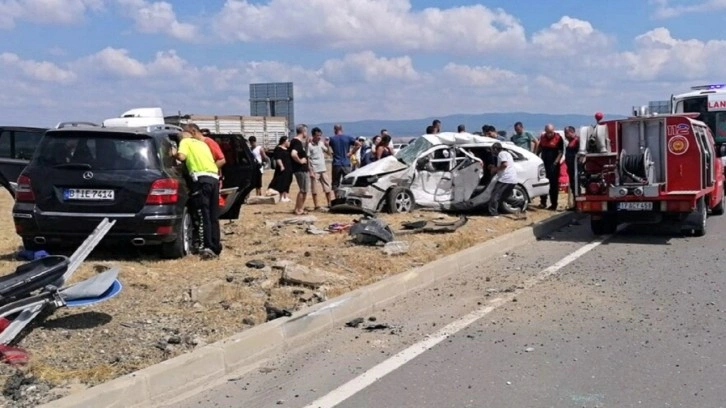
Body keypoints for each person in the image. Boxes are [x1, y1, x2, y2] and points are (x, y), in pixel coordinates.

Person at [174, 131, 222, 259]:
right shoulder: (202, 144)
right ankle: (215, 246)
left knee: (203, 215)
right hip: (213, 179)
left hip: (201, 180)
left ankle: (206, 247)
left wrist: (174, 153)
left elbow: (182, 157)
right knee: (213, 215)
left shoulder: (185, 142)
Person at [536, 124, 565, 210]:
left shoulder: (558, 138)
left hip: (553, 165)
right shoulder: (543, 137)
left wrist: (555, 163)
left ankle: (554, 204)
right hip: (544, 164)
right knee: (543, 182)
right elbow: (540, 148)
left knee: (553, 185)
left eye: (551, 132)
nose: (549, 134)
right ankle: (543, 202)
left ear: (553, 131)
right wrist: (535, 156)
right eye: (547, 132)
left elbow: (560, 152)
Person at [327, 124, 360, 194]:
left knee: (335, 183)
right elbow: (359, 144)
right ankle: (347, 198)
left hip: (336, 163)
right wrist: (351, 152)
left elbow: (326, 146)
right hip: (346, 163)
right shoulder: (348, 137)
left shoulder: (332, 139)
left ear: (334, 130)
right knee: (348, 182)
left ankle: (337, 199)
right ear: (342, 129)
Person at [488, 142, 518, 218]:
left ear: (495, 149)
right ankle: (520, 203)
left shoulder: (501, 154)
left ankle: (494, 213)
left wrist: (495, 169)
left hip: (505, 179)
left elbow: (504, 165)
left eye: (492, 150)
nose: (492, 152)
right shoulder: (507, 153)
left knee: (495, 196)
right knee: (504, 197)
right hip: (512, 179)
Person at [307, 127, 334, 210]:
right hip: (315, 169)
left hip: (323, 169)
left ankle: (329, 203)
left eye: (320, 135)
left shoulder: (321, 143)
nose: (319, 137)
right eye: (317, 135)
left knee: (327, 187)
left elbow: (329, 153)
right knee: (314, 189)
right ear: (313, 136)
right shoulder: (309, 145)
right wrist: (310, 171)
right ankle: (316, 205)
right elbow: (307, 158)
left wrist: (327, 145)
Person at [290, 124, 310, 215]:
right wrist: (301, 161)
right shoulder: (297, 142)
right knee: (303, 190)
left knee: (303, 190)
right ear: (303, 131)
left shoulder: (298, 142)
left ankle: (298, 208)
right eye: (306, 131)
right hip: (300, 169)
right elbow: (294, 154)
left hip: (302, 169)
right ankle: (299, 209)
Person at [267, 136, 293, 202]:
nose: (289, 142)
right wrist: (281, 166)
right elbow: (278, 158)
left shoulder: (288, 149)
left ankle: (285, 196)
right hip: (282, 168)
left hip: (289, 168)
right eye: (288, 141)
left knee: (288, 181)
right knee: (282, 181)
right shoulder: (278, 149)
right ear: (284, 141)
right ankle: (281, 197)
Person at [564, 125, 580, 210]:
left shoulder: (577, 141)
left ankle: (578, 204)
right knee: (573, 186)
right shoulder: (569, 142)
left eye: (567, 133)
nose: (566, 135)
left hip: (576, 168)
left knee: (576, 186)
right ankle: (574, 204)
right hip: (570, 168)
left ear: (572, 132)